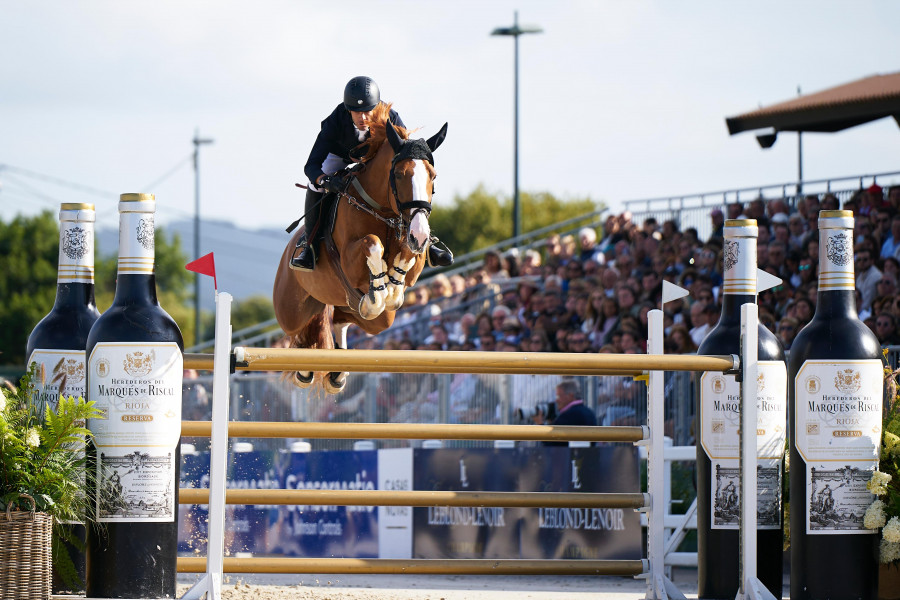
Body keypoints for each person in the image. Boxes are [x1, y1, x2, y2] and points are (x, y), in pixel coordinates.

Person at [291, 75, 453, 271]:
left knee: (407, 181)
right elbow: (311, 166)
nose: (363, 118)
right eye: (356, 112)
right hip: (340, 157)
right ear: (348, 110)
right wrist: (325, 181)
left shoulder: (390, 117)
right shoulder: (335, 121)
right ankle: (310, 246)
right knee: (313, 184)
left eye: (368, 111)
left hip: (374, 160)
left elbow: (407, 152)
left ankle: (427, 244)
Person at [534, 378, 598, 446]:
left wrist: (539, 423)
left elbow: (550, 442)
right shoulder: (589, 412)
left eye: (559, 396)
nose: (556, 400)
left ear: (570, 396)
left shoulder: (570, 415)